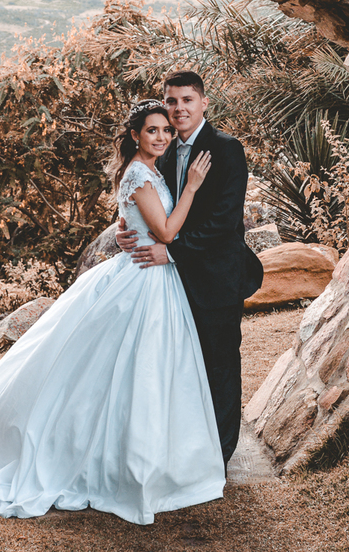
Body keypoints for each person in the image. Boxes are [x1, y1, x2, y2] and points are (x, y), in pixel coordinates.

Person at [0, 99, 226, 525]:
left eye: (166, 131)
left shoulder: (146, 171)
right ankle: (116, 466)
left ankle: (152, 459)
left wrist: (125, 225)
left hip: (149, 275)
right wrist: (191, 187)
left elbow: (132, 218)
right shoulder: (140, 173)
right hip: (143, 279)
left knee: (146, 373)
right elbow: (167, 231)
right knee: (128, 372)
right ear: (135, 135)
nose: (162, 137)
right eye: (153, 130)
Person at [116, 71, 264, 466]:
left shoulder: (226, 149)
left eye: (187, 100)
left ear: (203, 103)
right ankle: (184, 446)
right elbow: (146, 205)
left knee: (220, 364)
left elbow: (224, 220)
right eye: (172, 101)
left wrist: (173, 251)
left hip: (214, 276)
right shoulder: (160, 148)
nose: (178, 108)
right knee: (180, 365)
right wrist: (125, 230)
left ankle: (219, 455)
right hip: (168, 285)